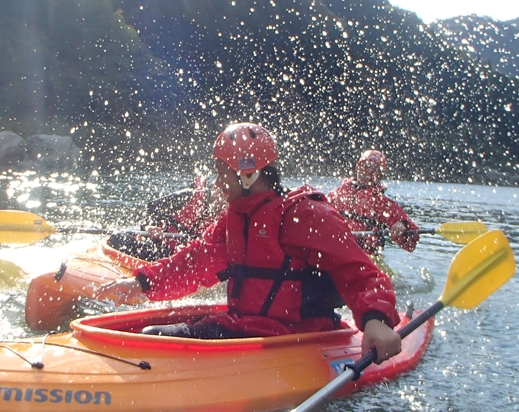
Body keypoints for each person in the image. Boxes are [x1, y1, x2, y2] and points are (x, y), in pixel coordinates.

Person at [98, 123, 402, 361]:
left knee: (156, 336)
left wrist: (376, 319)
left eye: (221, 174)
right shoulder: (235, 217)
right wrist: (142, 283)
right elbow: (198, 259)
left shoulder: (304, 214)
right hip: (245, 325)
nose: (217, 183)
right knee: (150, 333)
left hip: (295, 334)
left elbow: (362, 273)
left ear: (248, 174)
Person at [107, 176, 225, 262]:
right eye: (222, 196)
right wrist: (150, 227)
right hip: (158, 247)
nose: (222, 204)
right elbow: (152, 209)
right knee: (117, 238)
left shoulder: (230, 217)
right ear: (216, 187)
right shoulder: (189, 196)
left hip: (183, 260)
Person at [327, 149, 419, 255]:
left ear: (381, 175)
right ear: (358, 167)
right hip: (335, 250)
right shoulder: (337, 194)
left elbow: (411, 242)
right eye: (366, 165)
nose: (369, 171)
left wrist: (402, 225)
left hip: (365, 256)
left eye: (376, 169)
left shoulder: (382, 203)